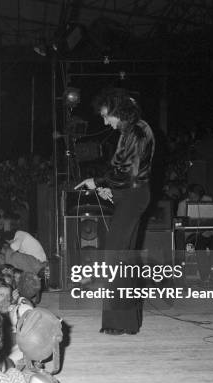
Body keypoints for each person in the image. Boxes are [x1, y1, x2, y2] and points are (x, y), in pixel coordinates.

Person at [75, 89, 155, 335]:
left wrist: (97, 181)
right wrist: (110, 189)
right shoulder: (134, 129)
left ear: (117, 112)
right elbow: (126, 173)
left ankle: (118, 322)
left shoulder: (135, 131)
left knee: (115, 257)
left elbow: (126, 172)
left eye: (105, 115)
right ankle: (127, 322)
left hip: (133, 196)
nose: (104, 121)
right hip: (131, 195)